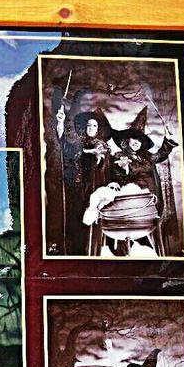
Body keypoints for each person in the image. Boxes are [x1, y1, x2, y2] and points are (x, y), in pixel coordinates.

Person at [54, 104, 114, 255]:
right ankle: (77, 254)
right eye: (89, 125)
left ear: (98, 128)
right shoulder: (78, 143)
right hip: (79, 189)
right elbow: (64, 145)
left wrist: (99, 158)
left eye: (94, 125)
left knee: (95, 222)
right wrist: (60, 123)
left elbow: (109, 169)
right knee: (78, 221)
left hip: (97, 190)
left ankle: (94, 253)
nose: (91, 128)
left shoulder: (104, 147)